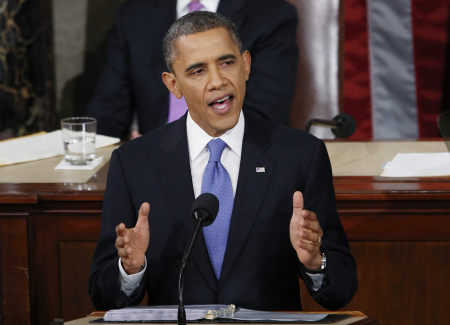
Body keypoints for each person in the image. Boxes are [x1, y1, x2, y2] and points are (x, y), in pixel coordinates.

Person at [88, 12, 357, 312]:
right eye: (198, 71)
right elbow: (102, 294)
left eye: (226, 62)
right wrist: (131, 271)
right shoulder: (134, 163)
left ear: (246, 65)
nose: (217, 81)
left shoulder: (300, 155)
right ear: (173, 84)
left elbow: (341, 289)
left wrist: (314, 260)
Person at [85, 0, 298, 139]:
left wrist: (167, 147)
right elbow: (108, 110)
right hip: (153, 167)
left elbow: (265, 115)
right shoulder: (135, 13)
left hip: (238, 159)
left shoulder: (271, 14)